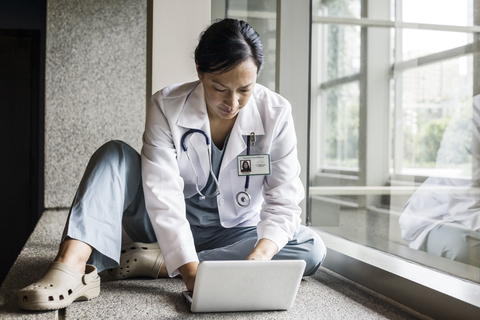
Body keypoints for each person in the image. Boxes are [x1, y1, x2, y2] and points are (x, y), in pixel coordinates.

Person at [17, 18, 326, 311]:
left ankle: (160, 263)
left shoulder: (276, 113)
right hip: (159, 225)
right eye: (220, 87)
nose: (232, 102)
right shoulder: (166, 105)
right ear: (200, 72)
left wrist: (259, 258)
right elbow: (162, 196)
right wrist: (192, 276)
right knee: (115, 154)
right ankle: (72, 266)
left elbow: (283, 201)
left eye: (245, 90)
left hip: (233, 232)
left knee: (311, 246)